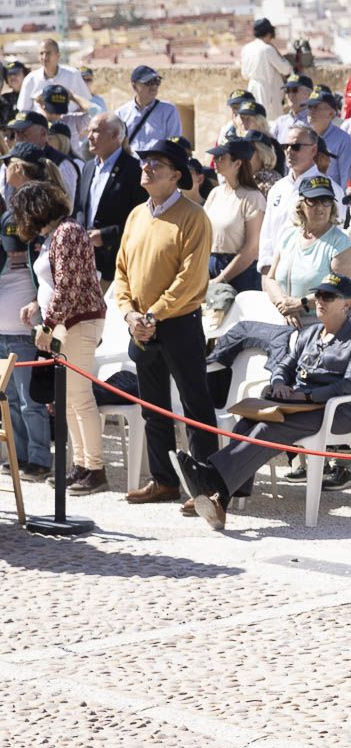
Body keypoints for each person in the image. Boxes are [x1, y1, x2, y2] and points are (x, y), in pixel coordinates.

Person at [171, 273, 351, 530]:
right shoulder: (310, 333)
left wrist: (308, 395)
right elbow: (285, 365)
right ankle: (219, 496)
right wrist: (279, 383)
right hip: (297, 404)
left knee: (269, 429)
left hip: (334, 410)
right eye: (319, 295)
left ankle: (211, 479)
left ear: (347, 304)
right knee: (246, 424)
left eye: (328, 296)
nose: (320, 301)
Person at [113, 138, 218, 506]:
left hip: (178, 324)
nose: (146, 168)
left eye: (156, 163)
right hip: (142, 325)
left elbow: (190, 279)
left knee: (195, 406)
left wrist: (152, 314)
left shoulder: (194, 218)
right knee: (152, 406)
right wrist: (130, 315)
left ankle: (206, 488)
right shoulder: (136, 215)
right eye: (145, 162)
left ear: (176, 175)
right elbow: (122, 272)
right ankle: (164, 481)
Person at [10, 180, 108, 493]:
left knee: (79, 397)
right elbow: (54, 284)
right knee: (66, 401)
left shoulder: (67, 232)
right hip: (68, 323)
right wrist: (35, 305)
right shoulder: (58, 233)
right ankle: (80, 465)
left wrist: (49, 325)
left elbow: (68, 286)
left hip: (78, 322)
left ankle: (95, 469)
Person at [0, 182, 51, 481]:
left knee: (30, 402)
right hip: (2, 334)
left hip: (23, 333)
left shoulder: (37, 253)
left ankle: (40, 460)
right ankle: (19, 456)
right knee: (9, 402)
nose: (14, 249)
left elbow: (43, 287)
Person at [264, 175, 351, 328]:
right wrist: (285, 305)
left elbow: (343, 292)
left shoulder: (340, 243)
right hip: (283, 320)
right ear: (301, 205)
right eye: (313, 200)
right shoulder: (288, 236)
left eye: (326, 201)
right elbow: (270, 279)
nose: (320, 207)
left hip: (322, 327)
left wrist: (300, 304)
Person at [259, 123, 343, 275]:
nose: (290, 151)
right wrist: (266, 269)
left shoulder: (331, 189)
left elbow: (336, 234)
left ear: (313, 150)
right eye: (286, 146)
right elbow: (267, 234)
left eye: (296, 146)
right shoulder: (277, 188)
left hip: (310, 273)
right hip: (274, 273)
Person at [79, 113, 147, 284]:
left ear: (116, 135)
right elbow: (79, 209)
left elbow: (142, 220)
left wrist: (106, 235)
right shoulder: (88, 167)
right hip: (86, 262)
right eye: (89, 131)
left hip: (116, 263)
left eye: (96, 131)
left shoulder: (134, 171)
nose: (89, 136)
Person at [204, 138, 264, 293]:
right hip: (211, 265)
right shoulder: (215, 193)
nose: (215, 160)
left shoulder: (253, 198)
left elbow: (251, 248)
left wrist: (221, 279)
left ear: (237, 164)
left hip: (241, 273)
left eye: (221, 157)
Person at [112, 66, 181, 152]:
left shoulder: (169, 111)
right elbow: (115, 145)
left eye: (157, 81)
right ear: (134, 86)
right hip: (129, 163)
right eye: (148, 83)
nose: (154, 86)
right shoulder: (121, 114)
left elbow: (173, 144)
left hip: (155, 163)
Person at [16, 39, 90, 113]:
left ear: (58, 55)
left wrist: (72, 119)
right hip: (40, 123)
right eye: (41, 53)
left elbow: (87, 103)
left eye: (48, 53)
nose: (44, 57)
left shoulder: (73, 75)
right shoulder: (31, 79)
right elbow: (23, 110)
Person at [303, 90, 351, 190]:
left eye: (316, 107)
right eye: (309, 107)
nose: (311, 111)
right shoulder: (303, 137)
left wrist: (342, 203)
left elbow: (347, 178)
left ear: (331, 113)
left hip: (331, 200)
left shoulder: (343, 140)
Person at [240, 18, 292, 116]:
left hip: (252, 89)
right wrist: (277, 53)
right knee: (271, 123)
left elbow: (244, 74)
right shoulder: (267, 49)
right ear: (269, 33)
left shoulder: (246, 48)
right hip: (268, 92)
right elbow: (286, 70)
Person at [270, 74, 312, 141]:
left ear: (308, 94)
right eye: (287, 91)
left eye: (295, 90)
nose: (290, 95)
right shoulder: (280, 122)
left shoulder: (315, 122)